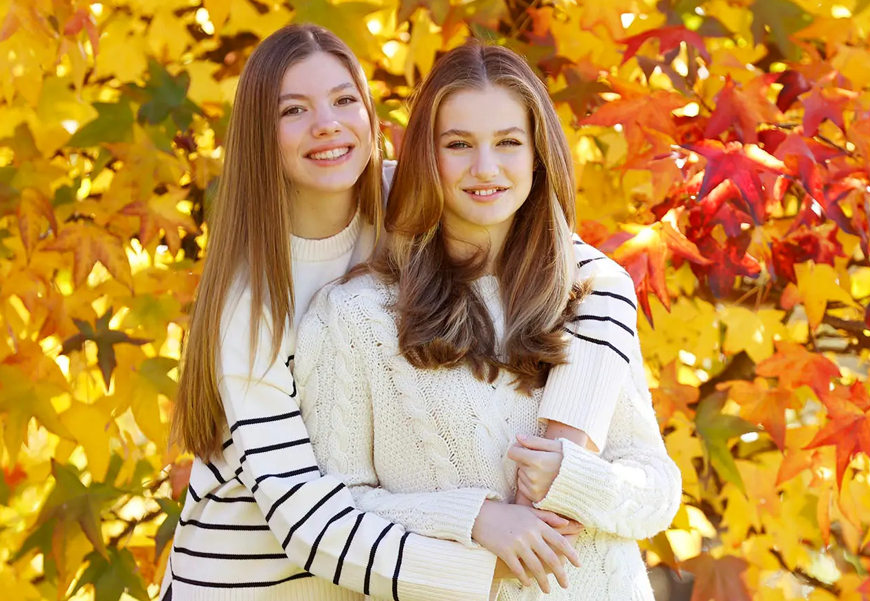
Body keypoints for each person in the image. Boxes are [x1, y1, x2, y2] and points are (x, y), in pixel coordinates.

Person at [162, 24, 643, 601]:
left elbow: (596, 277)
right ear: (260, 136)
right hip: (247, 578)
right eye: (294, 110)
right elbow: (305, 520)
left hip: (358, 580)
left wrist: (566, 441)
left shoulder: (412, 197)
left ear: (372, 118)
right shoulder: (253, 306)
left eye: (344, 100)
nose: (327, 124)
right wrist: (490, 541)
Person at [294, 42, 682, 601]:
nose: (485, 168)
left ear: (537, 156)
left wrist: (575, 477)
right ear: (426, 157)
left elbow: (657, 488)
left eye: (508, 143)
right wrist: (477, 519)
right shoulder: (355, 317)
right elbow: (339, 518)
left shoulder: (587, 299)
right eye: (458, 145)